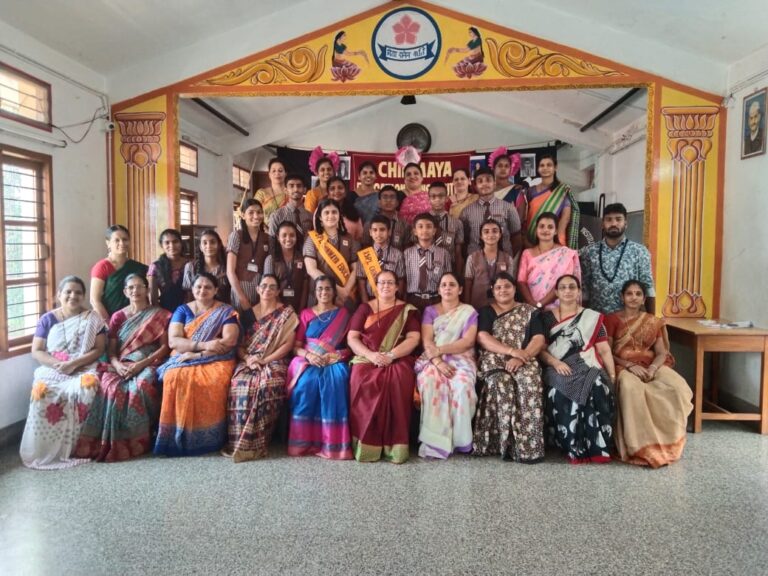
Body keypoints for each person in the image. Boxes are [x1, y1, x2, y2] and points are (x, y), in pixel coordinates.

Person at [75, 274, 171, 462]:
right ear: (125, 292)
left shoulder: (160, 314)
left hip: (150, 362)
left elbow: (164, 347)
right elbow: (111, 350)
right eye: (131, 287)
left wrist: (141, 364)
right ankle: (109, 441)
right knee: (109, 387)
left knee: (140, 386)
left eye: (140, 286)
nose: (136, 291)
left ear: (147, 289)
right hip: (121, 363)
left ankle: (139, 441)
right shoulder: (118, 317)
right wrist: (118, 365)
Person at [20, 276, 107, 469]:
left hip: (83, 366)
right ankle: (43, 448)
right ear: (59, 295)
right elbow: (37, 350)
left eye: (78, 292)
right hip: (53, 368)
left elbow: (99, 349)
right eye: (68, 292)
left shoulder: (92, 318)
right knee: (42, 391)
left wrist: (74, 363)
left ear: (83, 296)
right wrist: (59, 364)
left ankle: (78, 447)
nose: (73, 296)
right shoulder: (47, 319)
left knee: (88, 386)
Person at [605, 280, 693, 468]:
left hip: (653, 365)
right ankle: (638, 447)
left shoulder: (652, 321)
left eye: (638, 294)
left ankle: (670, 444)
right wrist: (629, 365)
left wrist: (653, 368)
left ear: (644, 298)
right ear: (622, 297)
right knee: (632, 389)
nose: (634, 297)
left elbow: (661, 352)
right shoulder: (611, 320)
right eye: (629, 293)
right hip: (623, 366)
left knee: (679, 388)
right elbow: (607, 352)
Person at [154, 272, 239, 456]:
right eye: (198, 287)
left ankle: (210, 438)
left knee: (213, 380)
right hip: (184, 356)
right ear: (192, 289)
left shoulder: (225, 311)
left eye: (208, 287)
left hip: (217, 358)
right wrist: (202, 345)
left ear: (216, 290)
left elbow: (229, 341)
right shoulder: (182, 310)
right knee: (174, 377)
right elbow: (174, 341)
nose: (202, 290)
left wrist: (199, 354)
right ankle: (176, 437)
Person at [539, 274, 616, 464]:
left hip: (587, 364)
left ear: (579, 291)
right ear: (556, 292)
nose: (567, 291)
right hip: (556, 365)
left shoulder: (592, 318)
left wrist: (612, 375)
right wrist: (556, 363)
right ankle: (571, 444)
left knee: (598, 386)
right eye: (563, 287)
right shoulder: (546, 318)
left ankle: (597, 446)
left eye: (572, 287)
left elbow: (604, 350)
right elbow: (540, 350)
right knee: (559, 389)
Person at [347, 270, 421, 463]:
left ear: (397, 287)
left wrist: (391, 355)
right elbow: (352, 337)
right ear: (375, 287)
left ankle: (394, 446)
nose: (386, 286)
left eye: (390, 283)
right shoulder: (365, 308)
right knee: (360, 379)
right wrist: (371, 355)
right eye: (382, 283)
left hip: (398, 357)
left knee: (399, 379)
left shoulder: (406, 309)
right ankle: (364, 444)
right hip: (368, 357)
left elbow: (414, 338)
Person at [472, 273, 546, 462]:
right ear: (492, 290)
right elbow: (483, 337)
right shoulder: (486, 311)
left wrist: (522, 357)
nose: (502, 290)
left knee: (529, 382)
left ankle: (529, 448)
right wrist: (511, 351)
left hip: (525, 358)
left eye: (507, 286)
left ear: (514, 289)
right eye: (498, 287)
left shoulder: (529, 311)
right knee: (500, 382)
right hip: (495, 358)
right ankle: (503, 445)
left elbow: (539, 339)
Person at [224, 274, 297, 462]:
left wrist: (265, 360)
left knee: (267, 384)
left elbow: (288, 344)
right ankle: (238, 442)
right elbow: (239, 345)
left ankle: (259, 442)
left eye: (272, 287)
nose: (267, 290)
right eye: (264, 286)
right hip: (249, 360)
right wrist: (248, 359)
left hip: (274, 360)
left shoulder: (286, 313)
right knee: (240, 384)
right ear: (257, 289)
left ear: (278, 291)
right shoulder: (247, 315)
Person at [286, 276, 353, 459]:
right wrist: (309, 356)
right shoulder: (305, 314)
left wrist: (336, 356)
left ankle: (332, 445)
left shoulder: (343, 315)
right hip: (309, 359)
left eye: (328, 289)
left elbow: (350, 346)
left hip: (334, 359)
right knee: (306, 383)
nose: (324, 292)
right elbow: (296, 346)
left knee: (336, 381)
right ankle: (303, 444)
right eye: (320, 289)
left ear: (334, 292)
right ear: (314, 292)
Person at [414, 272, 477, 459]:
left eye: (452, 285)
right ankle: (435, 441)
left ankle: (459, 441)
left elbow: (467, 342)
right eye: (444, 285)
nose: (448, 288)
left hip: (461, 358)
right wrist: (438, 361)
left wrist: (440, 350)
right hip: (433, 360)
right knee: (430, 382)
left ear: (460, 289)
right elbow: (427, 340)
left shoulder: (469, 312)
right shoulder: (430, 311)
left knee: (462, 386)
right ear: (439, 290)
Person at [579, 203, 656, 314]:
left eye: (618, 219)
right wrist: (583, 317)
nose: (614, 223)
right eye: (609, 219)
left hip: (629, 318)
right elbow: (585, 290)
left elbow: (648, 288)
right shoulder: (589, 252)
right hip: (597, 318)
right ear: (602, 224)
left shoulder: (639, 251)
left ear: (626, 224)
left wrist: (652, 319)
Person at [517, 212, 581, 310]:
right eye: (541, 226)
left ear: (556, 231)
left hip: (558, 308)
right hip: (530, 307)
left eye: (550, 227)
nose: (545, 230)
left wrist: (540, 304)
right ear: (536, 230)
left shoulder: (565, 254)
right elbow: (521, 281)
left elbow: (564, 283)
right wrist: (532, 303)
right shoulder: (527, 253)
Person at [304, 198, 359, 311]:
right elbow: (311, 269)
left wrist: (346, 290)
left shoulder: (349, 238)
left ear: (339, 215)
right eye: (326, 212)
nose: (331, 215)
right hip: (320, 296)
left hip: (344, 297)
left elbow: (356, 268)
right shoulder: (312, 239)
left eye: (334, 212)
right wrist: (336, 289)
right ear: (320, 217)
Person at [460, 167, 522, 257]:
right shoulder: (466, 212)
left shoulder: (509, 208)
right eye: (480, 181)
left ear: (494, 183)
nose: (484, 184)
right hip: (476, 261)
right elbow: (463, 241)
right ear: (475, 186)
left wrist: (507, 258)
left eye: (488, 180)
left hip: (503, 260)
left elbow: (517, 238)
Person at [90, 225, 148, 320]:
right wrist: (108, 323)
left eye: (125, 239)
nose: (122, 243)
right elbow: (94, 300)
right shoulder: (102, 267)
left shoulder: (138, 267)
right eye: (117, 240)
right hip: (109, 319)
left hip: (136, 319)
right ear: (108, 243)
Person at [524, 154, 579, 248]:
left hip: (555, 239)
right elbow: (526, 216)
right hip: (532, 238)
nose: (545, 168)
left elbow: (565, 218)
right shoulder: (530, 191)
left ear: (555, 168)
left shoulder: (562, 191)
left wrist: (556, 242)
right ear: (538, 169)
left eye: (549, 165)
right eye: (542, 165)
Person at [227, 199, 271, 311]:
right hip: (240, 290)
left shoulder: (267, 238)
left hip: (261, 290)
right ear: (243, 215)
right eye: (251, 212)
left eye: (259, 212)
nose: (256, 216)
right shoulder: (236, 236)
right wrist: (243, 300)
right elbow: (230, 271)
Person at [403, 213, 453, 312]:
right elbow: (403, 279)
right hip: (413, 299)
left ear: (434, 231)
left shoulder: (443, 253)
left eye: (429, 227)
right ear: (414, 231)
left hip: (436, 299)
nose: (425, 230)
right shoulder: (407, 253)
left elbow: (448, 278)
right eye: (420, 227)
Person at [464, 219, 516, 310]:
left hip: (501, 307)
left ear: (500, 235)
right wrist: (467, 308)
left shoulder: (508, 259)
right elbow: (468, 284)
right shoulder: (472, 258)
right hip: (477, 306)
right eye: (486, 232)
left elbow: (510, 285)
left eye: (495, 231)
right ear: (481, 236)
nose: (491, 235)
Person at [357, 215, 406, 301]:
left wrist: (397, 300)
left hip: (391, 299)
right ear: (370, 232)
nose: (378, 233)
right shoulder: (364, 254)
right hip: (371, 298)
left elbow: (401, 280)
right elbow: (361, 281)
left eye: (382, 230)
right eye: (375, 230)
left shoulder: (398, 254)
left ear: (389, 232)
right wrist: (366, 302)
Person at [264, 221, 309, 312]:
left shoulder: (302, 258)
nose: (288, 239)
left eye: (292, 235)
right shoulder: (271, 260)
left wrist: (301, 310)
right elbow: (269, 288)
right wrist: (283, 311)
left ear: (296, 237)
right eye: (284, 235)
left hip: (299, 309)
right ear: (278, 237)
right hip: (276, 309)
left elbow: (305, 286)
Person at [182, 229, 230, 304]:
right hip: (198, 309)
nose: (209, 246)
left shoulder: (227, 267)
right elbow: (188, 295)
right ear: (200, 247)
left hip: (222, 308)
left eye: (212, 242)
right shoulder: (191, 267)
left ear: (219, 245)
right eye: (205, 243)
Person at [427, 181, 464, 274]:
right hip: (427, 270)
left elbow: (458, 254)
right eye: (433, 196)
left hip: (448, 269)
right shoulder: (421, 222)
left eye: (441, 196)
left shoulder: (457, 223)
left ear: (447, 198)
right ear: (428, 199)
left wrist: (458, 276)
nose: (437, 199)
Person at [148, 228, 187, 313]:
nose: (172, 245)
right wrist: (162, 315)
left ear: (181, 243)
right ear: (162, 245)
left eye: (175, 242)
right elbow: (153, 298)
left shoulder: (190, 265)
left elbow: (192, 293)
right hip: (164, 311)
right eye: (167, 243)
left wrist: (185, 312)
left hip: (188, 310)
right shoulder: (155, 267)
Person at [267, 173, 314, 238]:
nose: (296, 189)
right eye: (291, 186)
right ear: (285, 190)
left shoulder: (310, 216)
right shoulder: (276, 216)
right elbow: (271, 241)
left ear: (304, 190)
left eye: (299, 186)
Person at [365, 185, 409, 251]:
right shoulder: (370, 224)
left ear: (397, 203)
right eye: (385, 197)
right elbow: (365, 246)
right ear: (379, 203)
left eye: (392, 197)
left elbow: (407, 248)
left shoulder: (404, 225)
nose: (388, 200)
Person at [327, 176, 364, 241]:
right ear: (328, 193)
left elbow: (359, 239)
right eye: (332, 189)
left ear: (346, 191)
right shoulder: (321, 211)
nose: (337, 191)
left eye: (340, 188)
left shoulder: (354, 213)